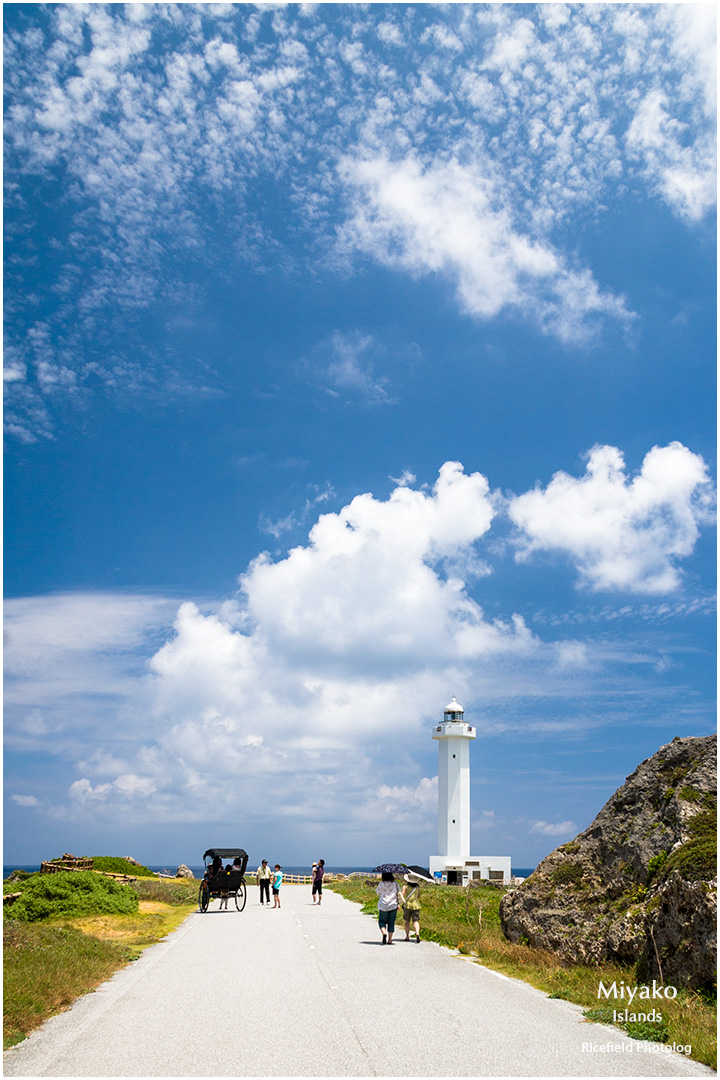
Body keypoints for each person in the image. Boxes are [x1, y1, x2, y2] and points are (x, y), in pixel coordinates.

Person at [375, 871, 400, 944]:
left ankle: (384, 933)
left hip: (383, 905)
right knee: (391, 922)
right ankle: (390, 940)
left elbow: (377, 892)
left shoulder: (381, 884)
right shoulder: (395, 884)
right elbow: (398, 892)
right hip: (393, 905)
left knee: (381, 921)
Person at [400, 874, 422, 942]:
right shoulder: (417, 887)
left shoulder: (405, 887)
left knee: (407, 921)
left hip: (407, 906)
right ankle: (417, 934)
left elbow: (401, 895)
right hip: (416, 905)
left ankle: (407, 936)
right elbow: (419, 896)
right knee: (415, 921)